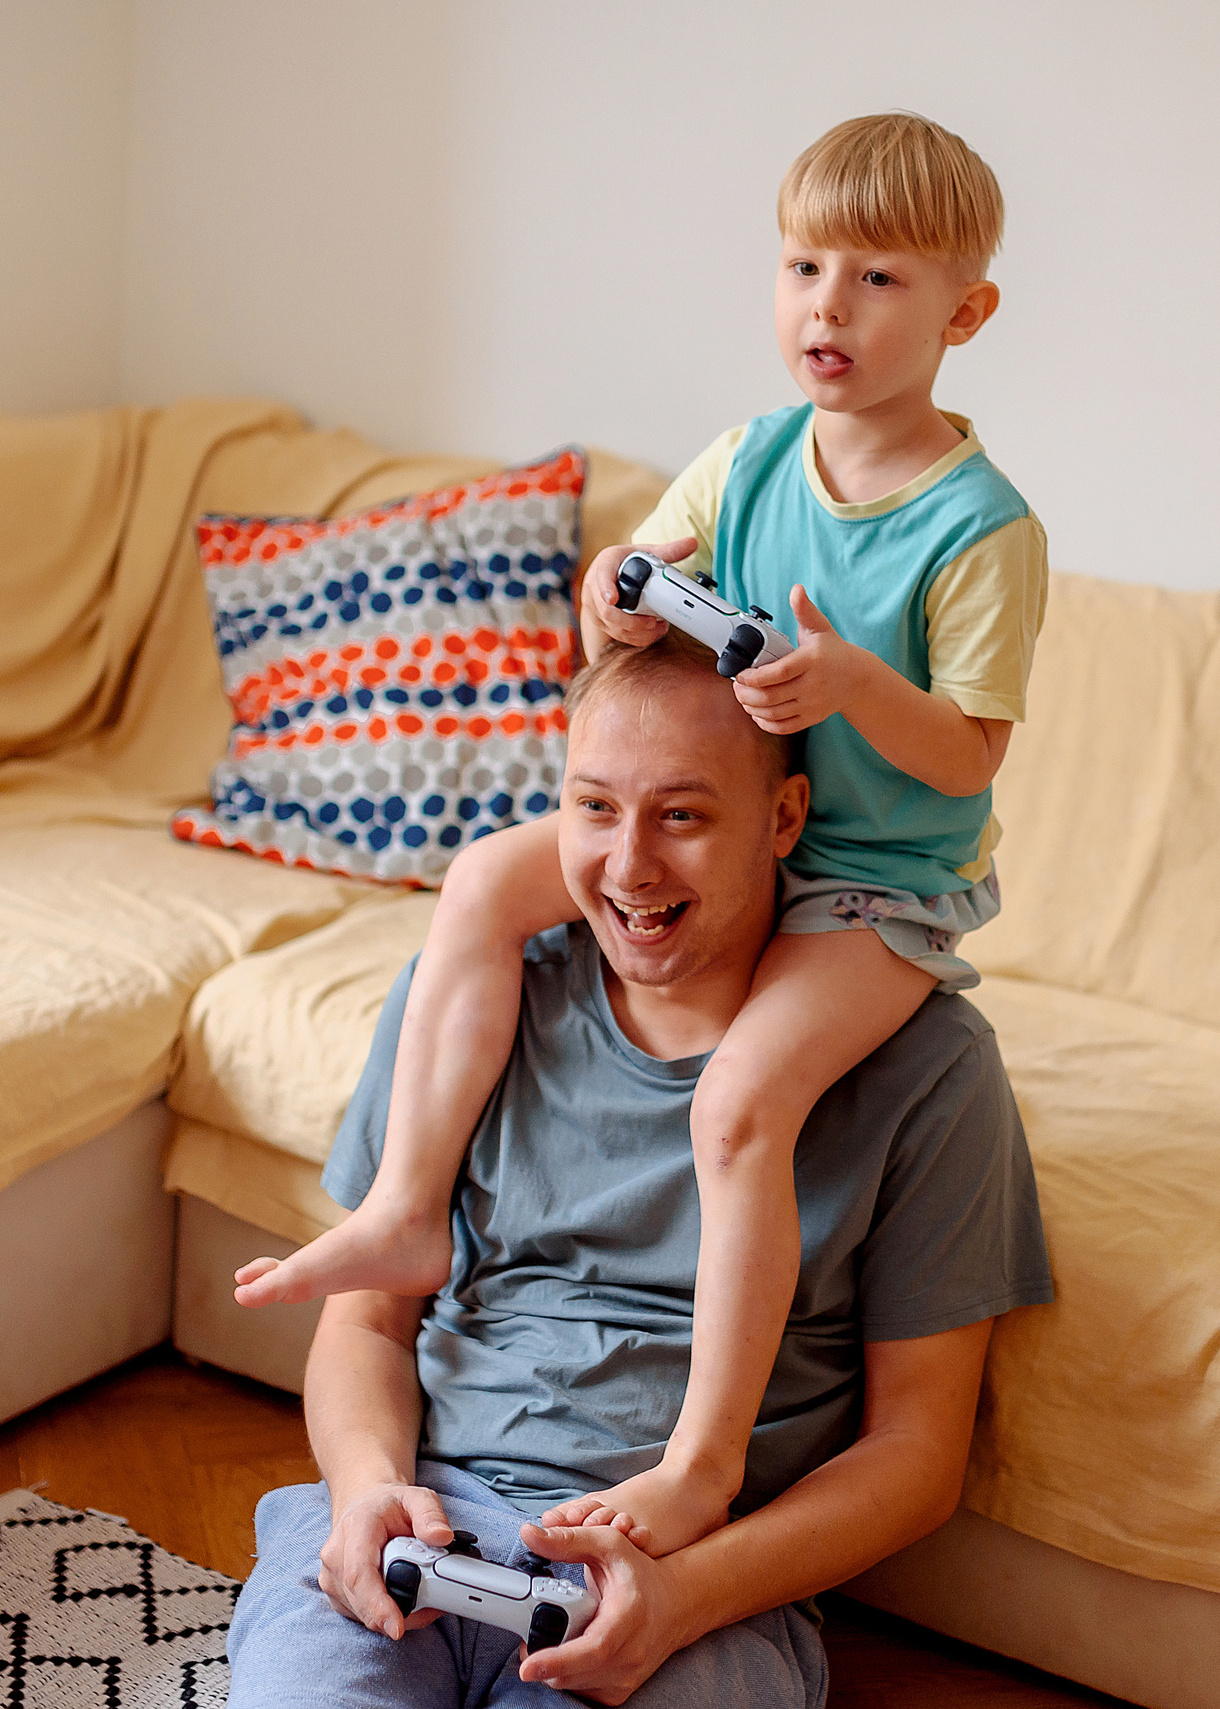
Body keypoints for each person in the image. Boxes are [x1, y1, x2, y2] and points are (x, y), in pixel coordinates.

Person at [234, 110, 1052, 1562]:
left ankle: (699, 1459)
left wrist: (857, 683)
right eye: (806, 267)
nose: (829, 308)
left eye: (880, 281)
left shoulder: (980, 527)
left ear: (964, 312)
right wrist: (620, 590)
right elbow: (631, 598)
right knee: (486, 884)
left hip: (875, 885)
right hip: (740, 836)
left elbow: (972, 750)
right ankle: (414, 1207)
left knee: (738, 1104)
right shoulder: (747, 460)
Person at [225, 634, 1052, 1707]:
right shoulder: (470, 999)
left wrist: (690, 1594)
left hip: (684, 1581)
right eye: (594, 807)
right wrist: (366, 1489)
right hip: (421, 1522)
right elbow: (368, 1321)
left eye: (682, 814)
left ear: (784, 818)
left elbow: (914, 1452)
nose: (628, 867)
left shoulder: (927, 1067)